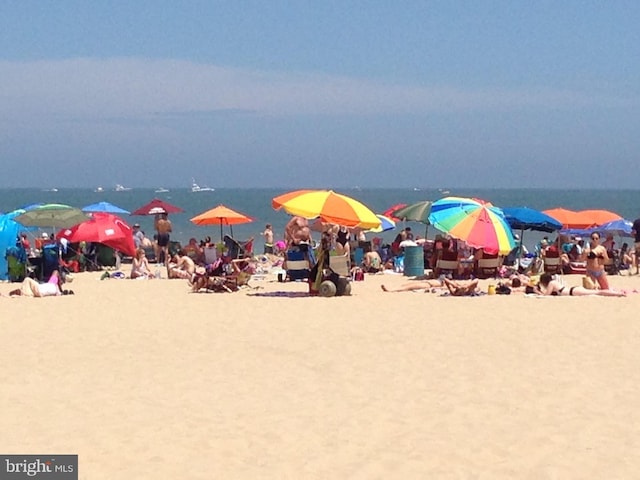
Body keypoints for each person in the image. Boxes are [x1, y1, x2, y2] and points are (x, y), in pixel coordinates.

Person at [536, 272, 625, 297]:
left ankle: (618, 294)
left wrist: (537, 292)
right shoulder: (554, 282)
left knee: (598, 292)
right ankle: (616, 292)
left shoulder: (551, 283)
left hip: (573, 292)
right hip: (573, 290)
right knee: (597, 292)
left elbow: (546, 295)